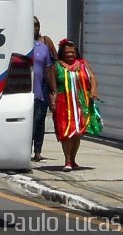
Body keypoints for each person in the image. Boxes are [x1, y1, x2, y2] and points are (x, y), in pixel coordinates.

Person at [52, 39, 99, 172]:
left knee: (77, 133)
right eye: (67, 52)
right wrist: (52, 99)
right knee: (67, 132)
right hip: (63, 103)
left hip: (80, 102)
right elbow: (52, 85)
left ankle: (73, 160)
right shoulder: (57, 66)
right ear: (62, 53)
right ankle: (67, 160)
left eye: (72, 52)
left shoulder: (83, 64)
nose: (70, 54)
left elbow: (92, 78)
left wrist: (93, 90)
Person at [31, 16, 58, 162]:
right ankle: (25, 150)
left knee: (40, 121)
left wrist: (54, 90)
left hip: (41, 90)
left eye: (36, 24)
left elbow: (50, 68)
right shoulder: (19, 44)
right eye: (32, 25)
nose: (35, 27)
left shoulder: (44, 45)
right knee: (29, 123)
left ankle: (38, 151)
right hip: (24, 91)